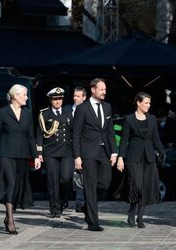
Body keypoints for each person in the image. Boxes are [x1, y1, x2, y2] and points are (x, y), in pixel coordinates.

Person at [0, 84, 41, 234]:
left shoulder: (28, 113)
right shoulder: (3, 113)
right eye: (24, 95)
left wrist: (35, 156)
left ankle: (8, 215)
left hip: (22, 154)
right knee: (10, 183)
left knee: (16, 185)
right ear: (16, 96)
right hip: (5, 154)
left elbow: (31, 136)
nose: (27, 97)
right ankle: (10, 219)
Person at [72, 78, 117, 231]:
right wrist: (77, 156)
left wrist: (114, 152)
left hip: (104, 152)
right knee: (90, 186)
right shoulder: (82, 108)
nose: (105, 92)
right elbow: (76, 133)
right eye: (102, 89)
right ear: (93, 90)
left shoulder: (107, 107)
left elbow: (110, 131)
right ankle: (93, 222)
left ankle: (86, 204)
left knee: (105, 183)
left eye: (105, 89)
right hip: (88, 152)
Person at [117, 92, 166, 228]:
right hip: (133, 157)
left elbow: (156, 138)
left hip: (149, 157)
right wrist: (120, 158)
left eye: (149, 103)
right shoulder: (128, 119)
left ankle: (140, 218)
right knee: (137, 185)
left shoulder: (152, 119)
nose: (148, 106)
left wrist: (162, 152)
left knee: (145, 187)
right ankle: (132, 211)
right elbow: (124, 140)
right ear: (138, 103)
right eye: (146, 103)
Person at [36, 87, 73, 218]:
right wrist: (39, 152)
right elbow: (40, 134)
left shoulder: (69, 113)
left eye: (60, 99)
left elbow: (74, 131)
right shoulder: (45, 114)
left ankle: (63, 201)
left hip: (67, 151)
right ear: (50, 100)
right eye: (55, 99)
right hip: (51, 151)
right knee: (52, 181)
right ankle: (54, 208)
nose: (58, 101)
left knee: (66, 179)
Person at [72, 86, 86, 213]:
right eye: (74, 96)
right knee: (70, 177)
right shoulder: (67, 110)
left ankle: (81, 203)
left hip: (83, 148)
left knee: (82, 176)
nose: (75, 98)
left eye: (78, 96)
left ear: (84, 97)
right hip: (68, 148)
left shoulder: (87, 110)